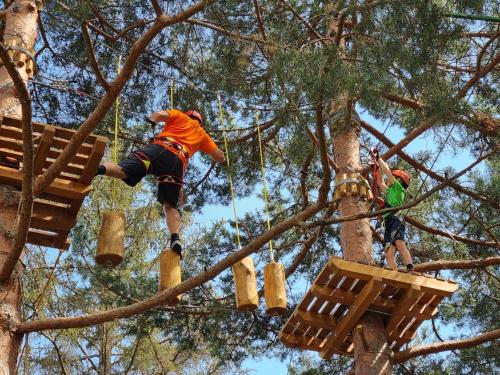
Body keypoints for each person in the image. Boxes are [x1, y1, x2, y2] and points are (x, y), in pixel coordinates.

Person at [95, 109, 225, 257]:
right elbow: (219, 157)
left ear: (188, 115)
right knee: (169, 206)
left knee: (123, 171)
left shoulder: (179, 115)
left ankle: (97, 169)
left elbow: (159, 115)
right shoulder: (202, 135)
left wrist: (152, 121)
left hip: (158, 149)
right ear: (200, 123)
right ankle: (175, 237)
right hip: (176, 164)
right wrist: (223, 157)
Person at [376, 156, 414, 272]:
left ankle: (410, 267)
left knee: (399, 243)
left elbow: (387, 172)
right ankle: (394, 272)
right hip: (388, 222)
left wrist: (378, 158)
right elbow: (380, 182)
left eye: (394, 177)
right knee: (388, 251)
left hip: (396, 219)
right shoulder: (389, 191)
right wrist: (376, 169)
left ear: (399, 180)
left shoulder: (398, 188)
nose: (389, 180)